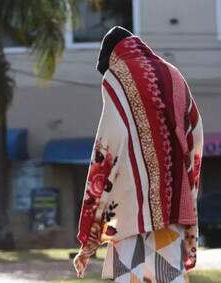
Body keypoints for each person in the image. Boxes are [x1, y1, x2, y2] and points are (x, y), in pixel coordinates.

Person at [73, 26, 203, 283]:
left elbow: (109, 145)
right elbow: (195, 132)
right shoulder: (174, 75)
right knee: (168, 277)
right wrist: (187, 188)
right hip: (173, 203)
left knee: (130, 276)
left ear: (112, 56)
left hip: (129, 206)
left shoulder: (116, 76)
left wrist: (94, 213)